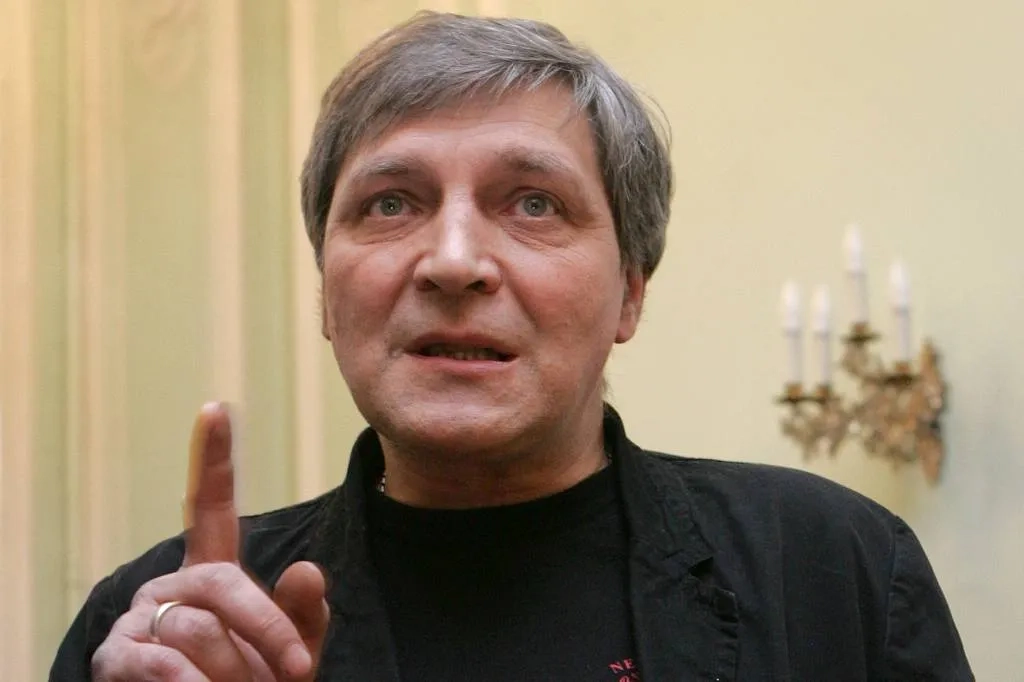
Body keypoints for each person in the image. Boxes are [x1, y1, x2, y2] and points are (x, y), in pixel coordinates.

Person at [51, 11, 973, 681]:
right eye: (391, 203)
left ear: (630, 292)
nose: (453, 262)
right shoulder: (167, 628)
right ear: (327, 291)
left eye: (534, 203)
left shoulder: (834, 570)